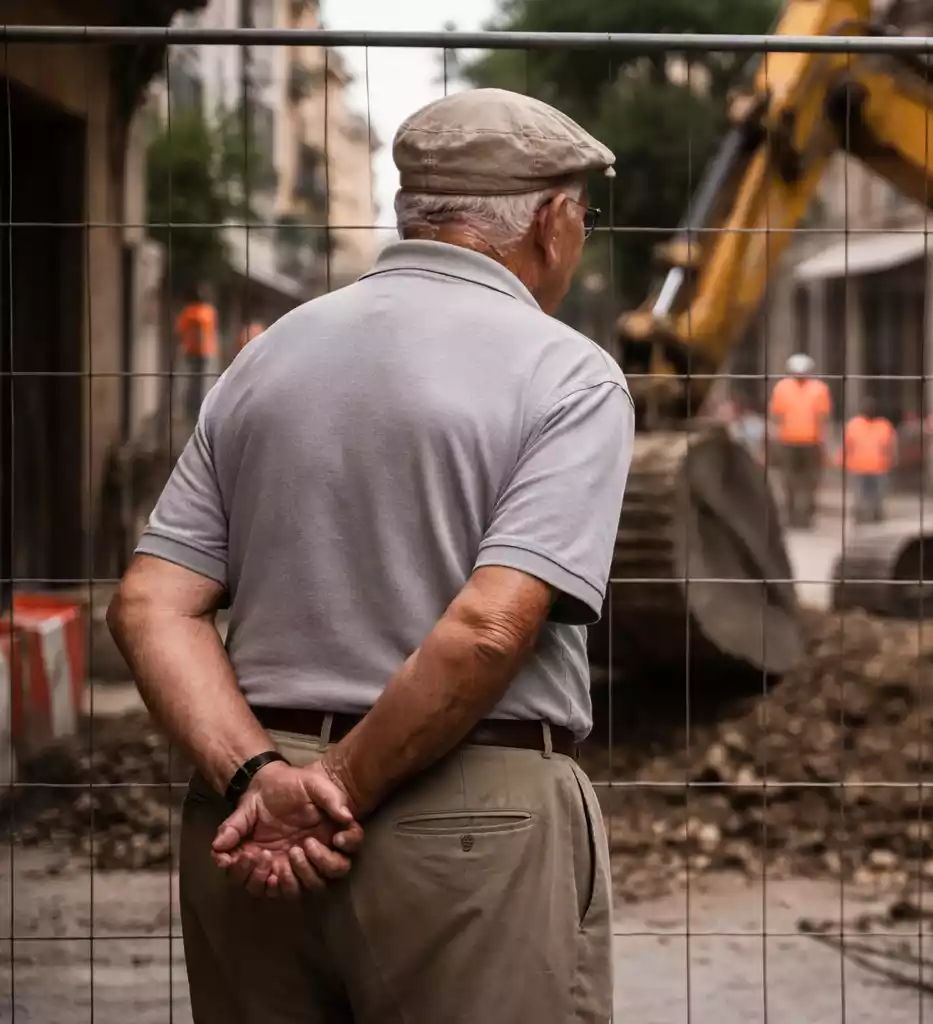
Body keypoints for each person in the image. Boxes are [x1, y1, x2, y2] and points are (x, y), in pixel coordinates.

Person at [108, 88, 631, 1023]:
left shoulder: (266, 359)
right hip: (464, 822)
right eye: (583, 215)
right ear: (552, 223)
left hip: (247, 826)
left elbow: (151, 604)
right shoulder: (567, 372)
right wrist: (336, 789)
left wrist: (261, 781)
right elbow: (490, 625)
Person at [769, 352, 831, 528]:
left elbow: (822, 417)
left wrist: (823, 440)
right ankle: (790, 515)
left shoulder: (819, 389)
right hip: (787, 441)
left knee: (810, 481)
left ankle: (807, 516)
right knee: (788, 480)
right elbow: (776, 416)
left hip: (811, 441)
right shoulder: (781, 388)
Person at [843, 396, 896, 524]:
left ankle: (877, 516)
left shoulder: (884, 425)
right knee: (860, 496)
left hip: (879, 468)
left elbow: (891, 446)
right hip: (859, 468)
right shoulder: (853, 425)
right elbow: (848, 446)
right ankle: (860, 517)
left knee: (878, 496)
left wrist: (892, 461)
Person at [175, 283, 219, 421]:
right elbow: (180, 331)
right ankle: (192, 410)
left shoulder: (206, 311)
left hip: (202, 351)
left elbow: (212, 332)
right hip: (194, 351)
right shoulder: (194, 312)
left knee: (198, 382)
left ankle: (196, 410)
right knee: (193, 382)